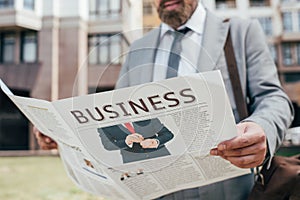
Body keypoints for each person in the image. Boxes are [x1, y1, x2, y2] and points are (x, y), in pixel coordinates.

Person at [34, 0, 294, 199]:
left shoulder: (240, 32)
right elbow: (118, 121)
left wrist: (263, 129)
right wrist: (66, 136)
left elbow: (273, 97)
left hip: (228, 191)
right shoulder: (137, 49)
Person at [98, 118, 174, 163]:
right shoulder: (104, 125)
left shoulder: (146, 115)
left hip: (161, 156)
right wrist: (126, 141)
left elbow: (168, 134)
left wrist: (155, 141)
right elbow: (108, 145)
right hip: (134, 161)